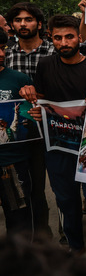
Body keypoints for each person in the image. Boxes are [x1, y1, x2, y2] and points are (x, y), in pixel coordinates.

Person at [19, 14, 86, 258]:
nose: (64, 42)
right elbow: (41, 98)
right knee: (65, 198)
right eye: (58, 38)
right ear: (51, 38)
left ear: (79, 37)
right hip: (58, 144)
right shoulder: (45, 65)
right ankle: (75, 242)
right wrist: (32, 95)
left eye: (69, 37)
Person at [4, 2, 53, 238]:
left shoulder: (54, 51)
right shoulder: (7, 54)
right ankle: (39, 234)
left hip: (53, 126)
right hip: (21, 133)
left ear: (39, 24)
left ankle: (62, 230)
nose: (23, 24)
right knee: (31, 189)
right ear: (12, 25)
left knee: (58, 185)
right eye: (18, 20)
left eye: (29, 19)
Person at [0, 29, 35, 234]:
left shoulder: (19, 79)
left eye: (2, 48)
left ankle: (22, 260)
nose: (2, 54)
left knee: (18, 215)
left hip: (13, 162)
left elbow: (30, 119)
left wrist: (31, 104)